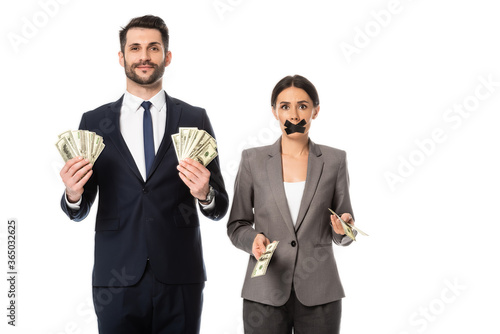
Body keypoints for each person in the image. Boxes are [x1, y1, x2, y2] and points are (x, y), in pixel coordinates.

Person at [59, 15, 228, 334]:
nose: (144, 56)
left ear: (167, 56)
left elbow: (219, 205)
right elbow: (79, 207)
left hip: (180, 277)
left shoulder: (194, 118)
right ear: (122, 57)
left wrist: (205, 194)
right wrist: (73, 194)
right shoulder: (94, 121)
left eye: (153, 47)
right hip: (116, 279)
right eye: (135, 48)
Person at [227, 75, 356, 334]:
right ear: (274, 111)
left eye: (303, 106)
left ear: (315, 111)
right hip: (264, 292)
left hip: (320, 293)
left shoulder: (334, 160)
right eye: (285, 106)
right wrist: (252, 240)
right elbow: (237, 224)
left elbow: (344, 225)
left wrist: (344, 231)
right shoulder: (252, 160)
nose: (294, 115)